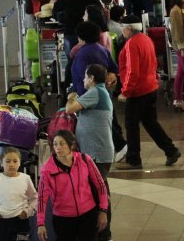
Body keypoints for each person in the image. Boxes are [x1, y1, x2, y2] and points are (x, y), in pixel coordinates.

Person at [115, 16, 181, 170]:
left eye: (122, 28)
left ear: (129, 28)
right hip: (150, 87)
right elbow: (153, 63)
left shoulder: (132, 43)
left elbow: (133, 71)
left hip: (137, 91)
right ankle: (171, 150)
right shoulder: (146, 39)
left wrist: (125, 91)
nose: (122, 32)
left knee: (131, 125)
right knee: (150, 123)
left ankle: (133, 159)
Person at [65, 64, 115, 241]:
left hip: (97, 154)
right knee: (101, 192)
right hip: (97, 152)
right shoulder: (100, 93)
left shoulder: (96, 92)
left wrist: (71, 96)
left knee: (98, 194)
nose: (84, 80)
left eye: (86, 77)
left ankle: (102, 234)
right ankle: (102, 233)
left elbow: (69, 109)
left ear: (92, 78)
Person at [37, 130, 109, 241]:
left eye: (62, 143)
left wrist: (103, 210)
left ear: (72, 145)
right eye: (55, 144)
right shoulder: (47, 170)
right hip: (63, 219)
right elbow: (42, 199)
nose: (58, 147)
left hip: (88, 215)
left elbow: (101, 186)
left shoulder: (85, 160)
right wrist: (40, 223)